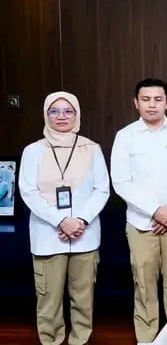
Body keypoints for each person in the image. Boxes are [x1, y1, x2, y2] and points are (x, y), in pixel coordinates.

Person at [19, 91, 110, 345]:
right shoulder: (33, 151)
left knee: (83, 298)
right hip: (48, 236)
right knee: (48, 300)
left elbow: (102, 189)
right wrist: (61, 221)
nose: (62, 116)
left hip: (84, 235)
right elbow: (28, 191)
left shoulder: (92, 148)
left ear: (77, 115)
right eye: (54, 111)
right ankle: (51, 341)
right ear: (46, 115)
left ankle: (80, 340)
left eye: (68, 111)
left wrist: (80, 220)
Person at [111, 78, 167, 344]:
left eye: (158, 99)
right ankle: (146, 339)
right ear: (135, 103)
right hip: (141, 223)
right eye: (145, 99)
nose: (151, 105)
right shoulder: (125, 136)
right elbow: (121, 181)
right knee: (144, 284)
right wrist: (154, 211)